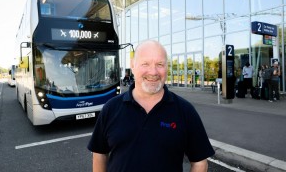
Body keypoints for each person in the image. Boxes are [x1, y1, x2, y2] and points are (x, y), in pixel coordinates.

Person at [87, 40, 215, 172]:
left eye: (160, 64)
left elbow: (199, 162)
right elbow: (99, 154)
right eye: (145, 64)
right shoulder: (111, 108)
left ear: (167, 67)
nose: (153, 72)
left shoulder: (185, 111)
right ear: (133, 65)